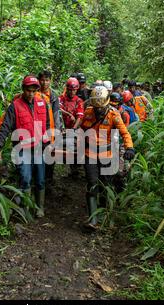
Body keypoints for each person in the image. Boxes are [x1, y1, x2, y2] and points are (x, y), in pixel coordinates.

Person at [0, 75, 50, 218]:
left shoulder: (42, 103)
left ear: (37, 90)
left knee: (41, 179)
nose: (30, 93)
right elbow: (5, 126)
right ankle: (25, 209)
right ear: (23, 89)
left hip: (39, 148)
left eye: (33, 90)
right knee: (25, 178)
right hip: (22, 149)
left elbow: (48, 125)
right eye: (28, 90)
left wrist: (48, 143)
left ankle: (39, 207)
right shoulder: (15, 106)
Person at [80, 86, 135, 229]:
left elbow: (125, 133)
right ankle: (93, 219)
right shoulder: (88, 112)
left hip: (107, 155)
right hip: (90, 154)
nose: (98, 110)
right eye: (96, 107)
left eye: (101, 108)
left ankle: (104, 214)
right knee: (92, 183)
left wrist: (129, 147)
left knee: (105, 184)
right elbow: (82, 129)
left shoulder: (114, 115)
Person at [37, 70, 62, 185]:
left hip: (50, 129)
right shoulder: (34, 92)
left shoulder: (53, 96)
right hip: (37, 128)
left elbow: (56, 114)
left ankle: (48, 179)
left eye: (47, 80)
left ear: (50, 81)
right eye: (42, 80)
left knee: (50, 154)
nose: (44, 83)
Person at [59, 77, 85, 177]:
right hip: (62, 127)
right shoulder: (61, 98)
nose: (71, 92)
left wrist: (74, 128)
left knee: (75, 148)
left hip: (74, 128)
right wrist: (69, 114)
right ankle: (71, 168)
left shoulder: (79, 101)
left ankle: (75, 169)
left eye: (74, 90)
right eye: (70, 89)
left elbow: (80, 116)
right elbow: (57, 109)